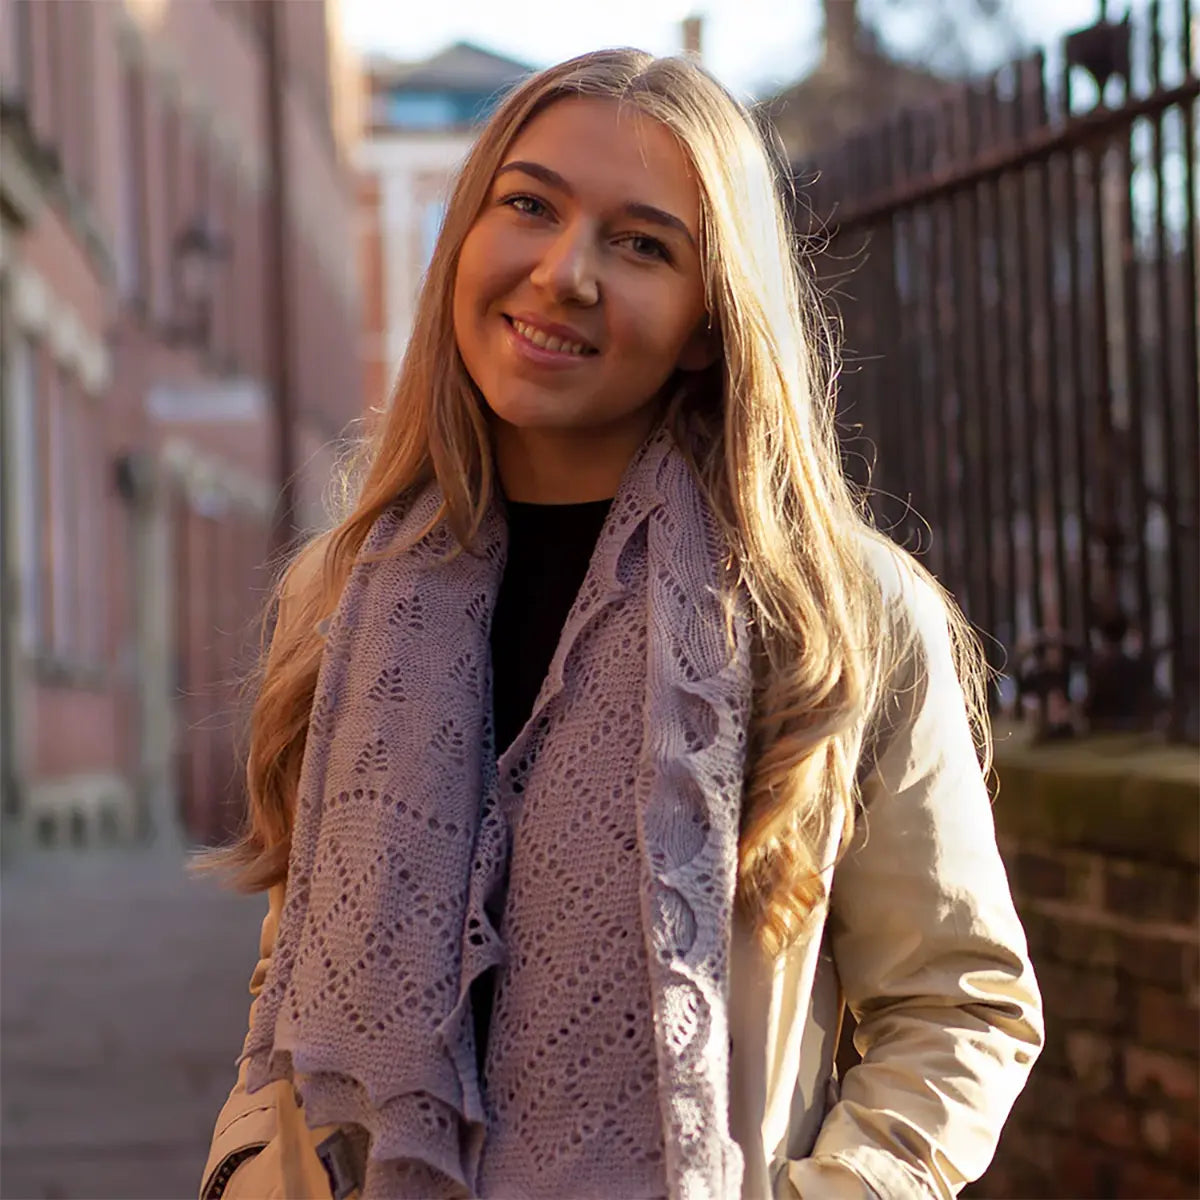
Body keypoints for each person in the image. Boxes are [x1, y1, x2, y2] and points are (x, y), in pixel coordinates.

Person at [198, 48, 1042, 1200]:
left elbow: (958, 1004)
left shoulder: (832, 615)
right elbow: (296, 973)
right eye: (529, 206)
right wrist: (249, 1164)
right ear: (463, 237)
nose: (563, 273)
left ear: (709, 319)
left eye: (643, 245)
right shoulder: (344, 595)